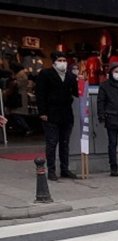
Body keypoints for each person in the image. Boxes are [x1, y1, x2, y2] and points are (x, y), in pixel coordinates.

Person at [36, 51, 79, 180]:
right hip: (51, 113)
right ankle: (51, 170)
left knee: (65, 143)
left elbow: (76, 93)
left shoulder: (70, 76)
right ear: (54, 61)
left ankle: (65, 169)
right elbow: (40, 94)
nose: (62, 63)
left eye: (64, 60)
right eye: (60, 60)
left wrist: (80, 82)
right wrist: (42, 112)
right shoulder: (45, 74)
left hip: (66, 114)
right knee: (52, 142)